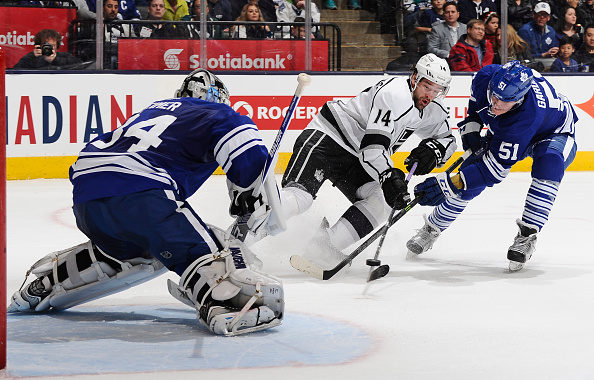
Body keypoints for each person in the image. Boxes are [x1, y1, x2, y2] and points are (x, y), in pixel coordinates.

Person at [7, 69, 286, 336]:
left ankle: (50, 282)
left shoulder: (149, 111)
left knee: (138, 252)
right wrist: (250, 197)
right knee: (208, 249)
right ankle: (226, 302)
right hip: (141, 193)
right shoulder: (218, 112)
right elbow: (244, 144)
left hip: (87, 200)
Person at [273, 54, 456, 268]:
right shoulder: (393, 93)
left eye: (438, 90)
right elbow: (372, 149)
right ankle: (238, 240)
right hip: (330, 138)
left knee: (383, 202)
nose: (431, 95)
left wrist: (432, 152)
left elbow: (448, 140)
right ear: (415, 78)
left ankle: (322, 247)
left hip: (359, 156)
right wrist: (389, 176)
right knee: (300, 198)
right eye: (427, 86)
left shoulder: (434, 108)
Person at [406, 61, 578, 272]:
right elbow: (476, 104)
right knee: (469, 175)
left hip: (553, 132)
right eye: (494, 95)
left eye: (505, 101)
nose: (495, 103)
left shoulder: (525, 117)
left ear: (519, 99)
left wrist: (445, 184)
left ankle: (527, 236)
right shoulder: (485, 77)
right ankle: (432, 228)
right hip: (514, 130)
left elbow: (493, 172)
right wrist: (471, 129)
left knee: (548, 164)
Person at [13, 29, 83, 70]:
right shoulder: (31, 57)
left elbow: (79, 65)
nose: (48, 48)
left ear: (57, 45)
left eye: (52, 45)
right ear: (39, 45)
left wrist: (55, 59)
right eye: (45, 45)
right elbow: (16, 70)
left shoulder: (64, 56)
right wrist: (33, 58)